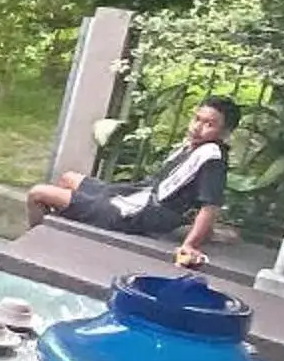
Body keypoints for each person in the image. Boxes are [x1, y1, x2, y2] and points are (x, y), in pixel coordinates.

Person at [26, 97, 239, 269]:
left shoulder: (212, 158)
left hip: (138, 213)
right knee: (68, 178)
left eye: (209, 124)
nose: (197, 127)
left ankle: (38, 248)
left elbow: (209, 205)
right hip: (135, 194)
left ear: (225, 133)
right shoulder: (195, 146)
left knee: (37, 193)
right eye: (197, 119)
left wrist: (190, 245)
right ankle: (63, 233)